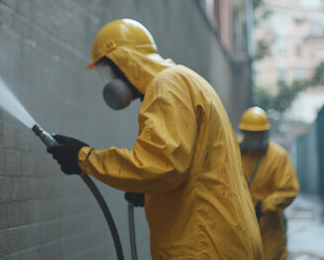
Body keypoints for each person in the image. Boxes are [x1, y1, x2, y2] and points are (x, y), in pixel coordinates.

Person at [48, 19, 263, 259]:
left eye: (109, 70)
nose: (110, 81)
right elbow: (193, 168)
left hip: (203, 246)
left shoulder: (166, 86)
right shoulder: (187, 80)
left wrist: (83, 157)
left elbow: (162, 166)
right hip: (226, 239)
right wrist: (149, 192)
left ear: (124, 60)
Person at [238, 107, 300, 260]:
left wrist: (264, 206)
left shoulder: (278, 157)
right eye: (250, 134)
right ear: (244, 133)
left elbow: (289, 189)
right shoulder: (232, 150)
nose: (253, 139)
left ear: (265, 134)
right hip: (239, 225)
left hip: (269, 227)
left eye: (257, 135)